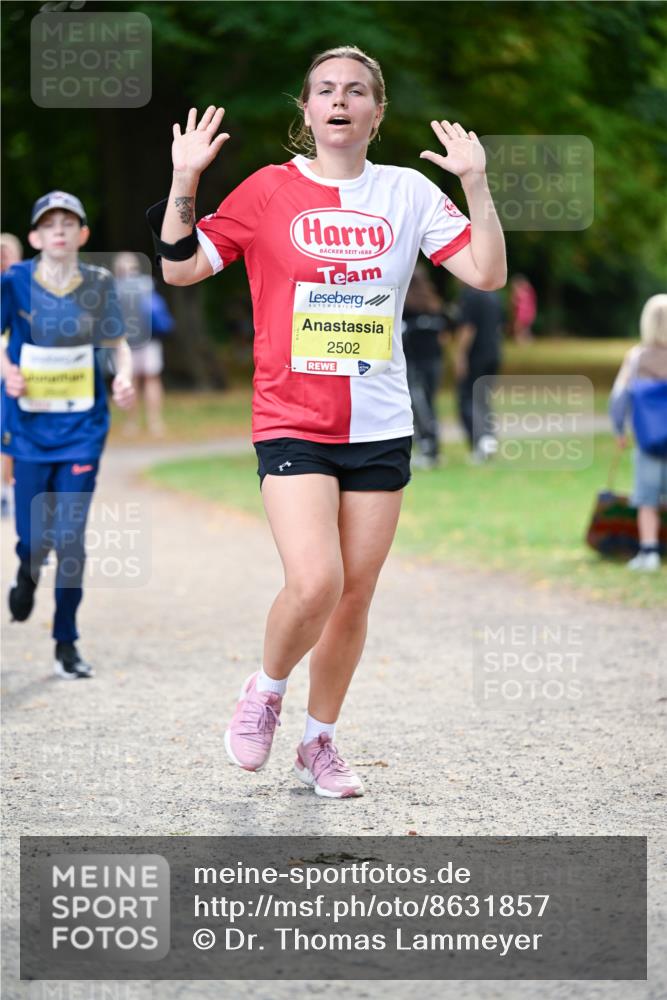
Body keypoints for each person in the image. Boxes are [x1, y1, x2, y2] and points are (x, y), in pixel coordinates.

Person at [148, 45, 506, 797]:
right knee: (316, 581)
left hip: (379, 423)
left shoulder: (407, 191)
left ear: (376, 112)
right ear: (306, 111)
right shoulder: (267, 190)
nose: (340, 100)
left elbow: (486, 272)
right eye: (325, 90)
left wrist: (474, 182)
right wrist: (185, 179)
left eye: (355, 91)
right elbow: (180, 267)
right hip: (291, 417)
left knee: (353, 596)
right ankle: (266, 689)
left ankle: (319, 742)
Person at [1, 191, 134, 678]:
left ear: (82, 234)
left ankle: (66, 641)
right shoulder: (15, 281)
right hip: (29, 430)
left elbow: (118, 342)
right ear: (35, 237)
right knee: (35, 540)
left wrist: (124, 377)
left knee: (70, 540)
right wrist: (7, 372)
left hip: (83, 428)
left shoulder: (98, 282)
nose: (58, 230)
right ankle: (26, 572)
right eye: (49, 224)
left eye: (68, 222)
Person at [609, 293, 667, 572]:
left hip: (648, 440)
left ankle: (649, 551)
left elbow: (619, 397)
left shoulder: (636, 357)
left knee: (647, 499)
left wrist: (619, 429)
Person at [113, 252, 173, 437]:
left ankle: (136, 423)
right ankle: (152, 422)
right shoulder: (147, 285)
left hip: (132, 342)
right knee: (145, 380)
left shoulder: (114, 288)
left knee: (135, 381)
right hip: (141, 341)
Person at [402, 263, 451, 468]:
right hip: (434, 361)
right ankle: (431, 445)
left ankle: (427, 446)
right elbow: (444, 335)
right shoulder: (434, 305)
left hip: (413, 362)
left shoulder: (404, 305)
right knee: (428, 403)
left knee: (418, 404)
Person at [454, 284, 503, 463]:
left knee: (467, 398)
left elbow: (468, 328)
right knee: (483, 398)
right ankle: (488, 437)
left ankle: (480, 440)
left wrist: (460, 355)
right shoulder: (494, 296)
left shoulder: (470, 296)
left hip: (476, 355)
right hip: (493, 353)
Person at [1, 233, 24, 519]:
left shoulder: (25, 286)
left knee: (9, 434)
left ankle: (8, 490)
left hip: (16, 374)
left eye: (6, 253)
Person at [509, 273, 537, 343]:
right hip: (529, 312)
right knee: (525, 327)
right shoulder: (529, 291)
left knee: (518, 327)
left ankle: (520, 340)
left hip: (522, 313)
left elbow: (514, 302)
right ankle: (527, 340)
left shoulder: (520, 292)